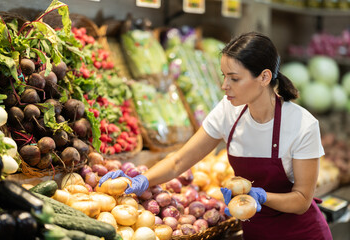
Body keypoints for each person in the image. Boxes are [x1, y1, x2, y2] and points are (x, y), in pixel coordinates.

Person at [99, 32, 332, 240]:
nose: (224, 85)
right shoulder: (228, 111)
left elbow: (301, 200)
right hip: (256, 233)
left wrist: (260, 197)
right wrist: (140, 181)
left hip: (302, 233)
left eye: (234, 78)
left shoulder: (302, 125)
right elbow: (179, 161)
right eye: (223, 76)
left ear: (264, 77)